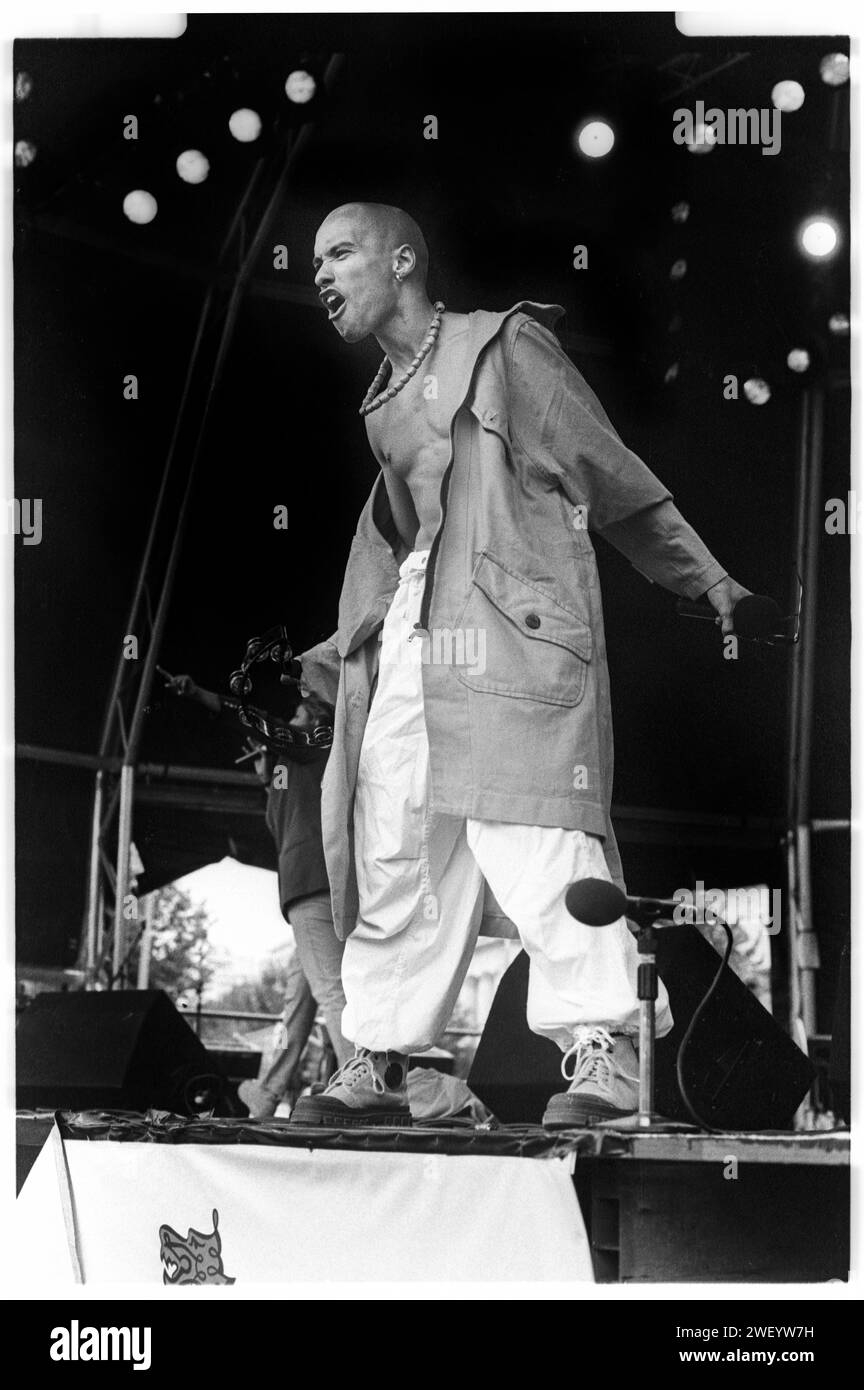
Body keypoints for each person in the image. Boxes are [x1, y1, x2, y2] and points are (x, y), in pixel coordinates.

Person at [292, 202, 751, 1130]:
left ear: (403, 258)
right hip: (424, 631)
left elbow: (612, 478)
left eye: (340, 253)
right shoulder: (382, 405)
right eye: (313, 261)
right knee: (397, 835)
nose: (320, 275)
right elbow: (388, 545)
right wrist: (336, 655)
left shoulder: (510, 352)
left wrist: (709, 583)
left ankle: (608, 1050)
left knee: (533, 835)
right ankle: (391, 1058)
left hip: (510, 627)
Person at [165, 674, 352, 1117]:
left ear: (315, 721)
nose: (289, 721)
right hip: (316, 886)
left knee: (331, 992)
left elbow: (259, 723)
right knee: (299, 999)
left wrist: (200, 694)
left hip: (312, 885)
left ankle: (361, 1086)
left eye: (297, 715)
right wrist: (269, 778)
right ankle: (268, 1093)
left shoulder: (315, 742)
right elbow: (284, 822)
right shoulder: (297, 769)